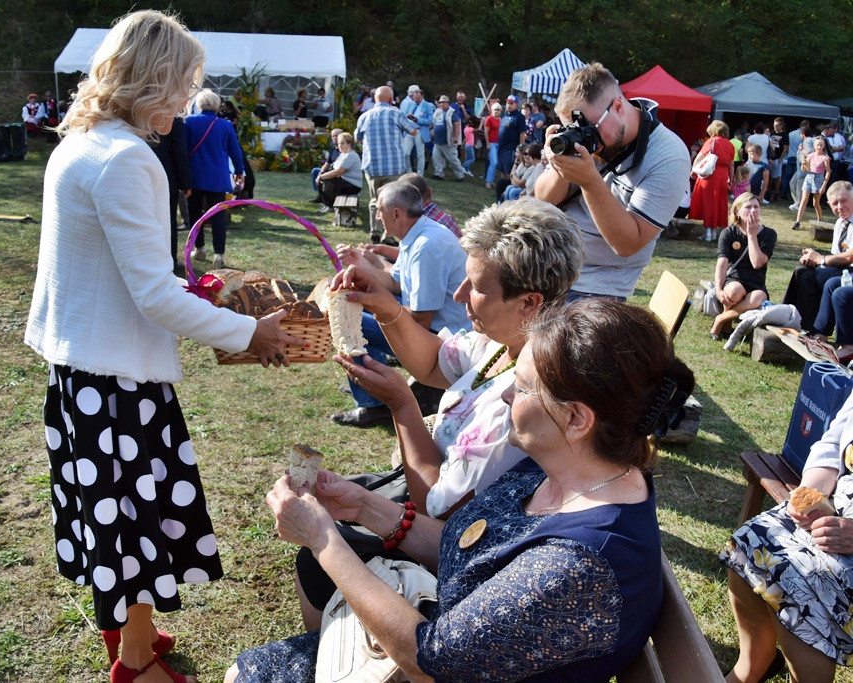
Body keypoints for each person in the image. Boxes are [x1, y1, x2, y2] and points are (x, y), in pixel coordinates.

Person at [24, 12, 301, 683]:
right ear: (150, 78)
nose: (186, 99)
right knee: (138, 523)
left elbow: (127, 271)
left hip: (82, 372)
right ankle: (137, 662)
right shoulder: (125, 158)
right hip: (118, 382)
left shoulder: (80, 142)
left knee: (108, 518)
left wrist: (191, 286)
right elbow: (152, 296)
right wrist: (250, 331)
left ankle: (122, 630)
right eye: (181, 84)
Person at [225, 297, 695, 683]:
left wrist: (323, 538)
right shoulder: (566, 471)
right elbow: (463, 546)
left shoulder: (578, 563)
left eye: (524, 387)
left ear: (576, 419)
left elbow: (429, 659)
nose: (508, 394)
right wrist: (366, 507)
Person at [291, 197, 583, 630]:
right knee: (324, 503)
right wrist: (387, 308)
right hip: (426, 503)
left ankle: (325, 655)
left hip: (450, 545)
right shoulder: (506, 344)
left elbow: (437, 508)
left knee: (315, 559)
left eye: (477, 287)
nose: (460, 295)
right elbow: (432, 363)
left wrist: (401, 405)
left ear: (529, 302)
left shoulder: (527, 399)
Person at [722, 387, 853, 681]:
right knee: (750, 542)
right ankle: (754, 663)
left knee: (798, 580)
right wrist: (811, 492)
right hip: (836, 509)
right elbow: (833, 444)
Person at [534, 62, 690, 300]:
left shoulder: (669, 155)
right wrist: (560, 162)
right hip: (547, 265)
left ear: (617, 106)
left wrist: (589, 181)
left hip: (594, 286)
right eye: (572, 128)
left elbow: (627, 244)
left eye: (588, 128)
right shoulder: (594, 134)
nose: (584, 136)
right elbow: (544, 198)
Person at [330, 181, 468, 427]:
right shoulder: (418, 233)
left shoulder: (426, 246)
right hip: (438, 329)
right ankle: (371, 387)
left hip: (446, 340)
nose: (377, 216)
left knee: (351, 316)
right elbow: (394, 284)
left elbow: (421, 320)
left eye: (379, 210)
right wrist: (361, 262)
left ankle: (374, 404)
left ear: (396, 213)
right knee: (353, 306)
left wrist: (374, 306)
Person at [184, 88, 245, 270]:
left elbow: (183, 150)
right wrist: (239, 171)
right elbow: (235, 151)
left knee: (195, 215)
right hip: (217, 178)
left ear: (199, 104)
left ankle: (199, 247)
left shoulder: (188, 122)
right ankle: (219, 254)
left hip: (194, 177)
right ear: (217, 105)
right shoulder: (225, 125)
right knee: (218, 216)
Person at [782, 181, 853, 329]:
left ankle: (816, 330)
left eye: (843, 201)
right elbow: (836, 256)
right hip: (843, 269)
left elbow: (849, 257)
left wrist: (821, 259)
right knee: (802, 271)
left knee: (825, 280)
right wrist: (813, 259)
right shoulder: (840, 223)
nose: (839, 207)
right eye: (835, 203)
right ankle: (794, 322)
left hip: (850, 271)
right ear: (828, 204)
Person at [709, 193, 777, 339]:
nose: (753, 211)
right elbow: (722, 263)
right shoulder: (729, 233)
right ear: (737, 211)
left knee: (758, 297)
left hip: (756, 282)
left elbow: (757, 263)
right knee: (735, 290)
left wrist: (752, 235)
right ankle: (726, 323)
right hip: (734, 279)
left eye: (756, 207)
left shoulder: (769, 234)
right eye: (748, 207)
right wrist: (719, 289)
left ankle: (721, 319)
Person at [354, 85, 417, 243]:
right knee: (392, 202)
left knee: (375, 200)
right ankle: (388, 235)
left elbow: (357, 138)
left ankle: (375, 230)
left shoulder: (365, 116)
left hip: (372, 167)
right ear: (391, 99)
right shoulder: (396, 113)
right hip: (393, 167)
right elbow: (413, 131)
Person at [154, 115, 192, 269]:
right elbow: (179, 152)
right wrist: (185, 182)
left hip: (147, 176)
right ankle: (170, 260)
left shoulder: (140, 114)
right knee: (169, 223)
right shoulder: (172, 119)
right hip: (167, 178)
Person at [689, 120, 734, 243]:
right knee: (718, 203)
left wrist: (694, 170)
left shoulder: (711, 141)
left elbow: (699, 157)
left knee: (708, 203)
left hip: (710, 174)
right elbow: (731, 165)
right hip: (723, 176)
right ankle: (713, 231)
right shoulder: (730, 145)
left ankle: (708, 231)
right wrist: (730, 179)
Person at [313, 132, 361, 213]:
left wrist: (321, 177)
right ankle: (327, 204)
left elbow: (338, 172)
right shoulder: (343, 154)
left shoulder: (351, 155)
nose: (340, 146)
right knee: (324, 179)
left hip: (353, 186)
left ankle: (330, 205)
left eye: (342, 143)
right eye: (339, 143)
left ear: (349, 144)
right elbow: (333, 167)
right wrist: (320, 175)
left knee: (327, 181)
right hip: (345, 182)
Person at [793, 136, 832, 231]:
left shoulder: (825, 158)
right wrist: (803, 163)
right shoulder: (810, 156)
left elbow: (828, 171)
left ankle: (820, 219)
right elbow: (804, 169)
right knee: (803, 200)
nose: (819, 146)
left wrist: (824, 185)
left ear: (824, 146)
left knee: (815, 203)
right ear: (814, 146)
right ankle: (797, 222)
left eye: (821, 145)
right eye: (817, 145)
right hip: (809, 177)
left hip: (819, 178)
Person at [430, 95, 464, 181]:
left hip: (448, 140)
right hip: (437, 140)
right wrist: (433, 132)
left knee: (452, 159)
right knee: (436, 157)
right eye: (441, 102)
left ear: (448, 103)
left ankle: (460, 176)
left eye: (444, 102)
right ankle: (438, 174)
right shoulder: (438, 112)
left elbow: (456, 124)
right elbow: (435, 124)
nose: (442, 104)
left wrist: (455, 137)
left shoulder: (452, 113)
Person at [400, 86, 432, 176]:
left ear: (422, 96)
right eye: (414, 98)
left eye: (418, 98)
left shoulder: (428, 106)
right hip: (409, 130)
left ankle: (419, 174)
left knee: (420, 154)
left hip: (420, 131)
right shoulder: (411, 104)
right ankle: (409, 172)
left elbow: (430, 121)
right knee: (405, 153)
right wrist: (407, 116)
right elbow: (404, 116)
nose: (416, 100)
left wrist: (417, 120)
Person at [496, 94, 527, 175]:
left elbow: (522, 133)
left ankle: (508, 186)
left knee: (508, 171)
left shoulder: (519, 117)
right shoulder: (505, 114)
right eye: (507, 103)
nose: (508, 105)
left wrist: (521, 149)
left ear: (516, 104)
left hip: (510, 148)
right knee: (501, 170)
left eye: (511, 103)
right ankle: (502, 186)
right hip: (501, 147)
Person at [309, 128, 342, 198]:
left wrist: (322, 175)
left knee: (325, 176)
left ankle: (327, 197)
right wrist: (321, 172)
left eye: (337, 135)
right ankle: (320, 195)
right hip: (330, 170)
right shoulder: (333, 149)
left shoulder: (344, 149)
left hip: (338, 173)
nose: (335, 138)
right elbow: (327, 163)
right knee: (315, 171)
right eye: (333, 136)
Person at [481, 102, 503, 189]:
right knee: (493, 162)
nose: (496, 111)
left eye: (498, 110)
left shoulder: (500, 120)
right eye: (495, 110)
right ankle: (488, 181)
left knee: (495, 163)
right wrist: (487, 143)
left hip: (498, 143)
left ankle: (491, 180)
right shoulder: (489, 119)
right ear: (491, 110)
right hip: (491, 143)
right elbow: (486, 132)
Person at [767, 117, 788, 203]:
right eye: (774, 125)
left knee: (777, 177)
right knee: (769, 176)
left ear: (781, 126)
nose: (775, 127)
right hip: (770, 158)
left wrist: (780, 158)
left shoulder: (784, 135)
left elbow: (785, 148)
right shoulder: (771, 133)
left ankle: (776, 193)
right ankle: (767, 192)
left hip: (778, 158)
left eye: (777, 125)